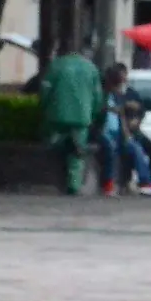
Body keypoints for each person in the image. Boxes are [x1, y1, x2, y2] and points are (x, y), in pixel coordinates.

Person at [39, 48, 103, 195]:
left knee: (54, 146)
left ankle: (53, 180)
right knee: (77, 152)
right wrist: (92, 114)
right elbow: (98, 97)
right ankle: (73, 184)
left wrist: (45, 109)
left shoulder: (56, 65)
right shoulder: (90, 68)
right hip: (81, 117)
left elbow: (45, 91)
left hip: (57, 115)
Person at [98, 65, 151, 197]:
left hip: (130, 130)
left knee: (150, 149)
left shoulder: (129, 92)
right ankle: (144, 182)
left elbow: (138, 110)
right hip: (114, 132)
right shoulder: (108, 95)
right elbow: (116, 113)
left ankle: (150, 181)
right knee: (130, 148)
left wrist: (136, 119)